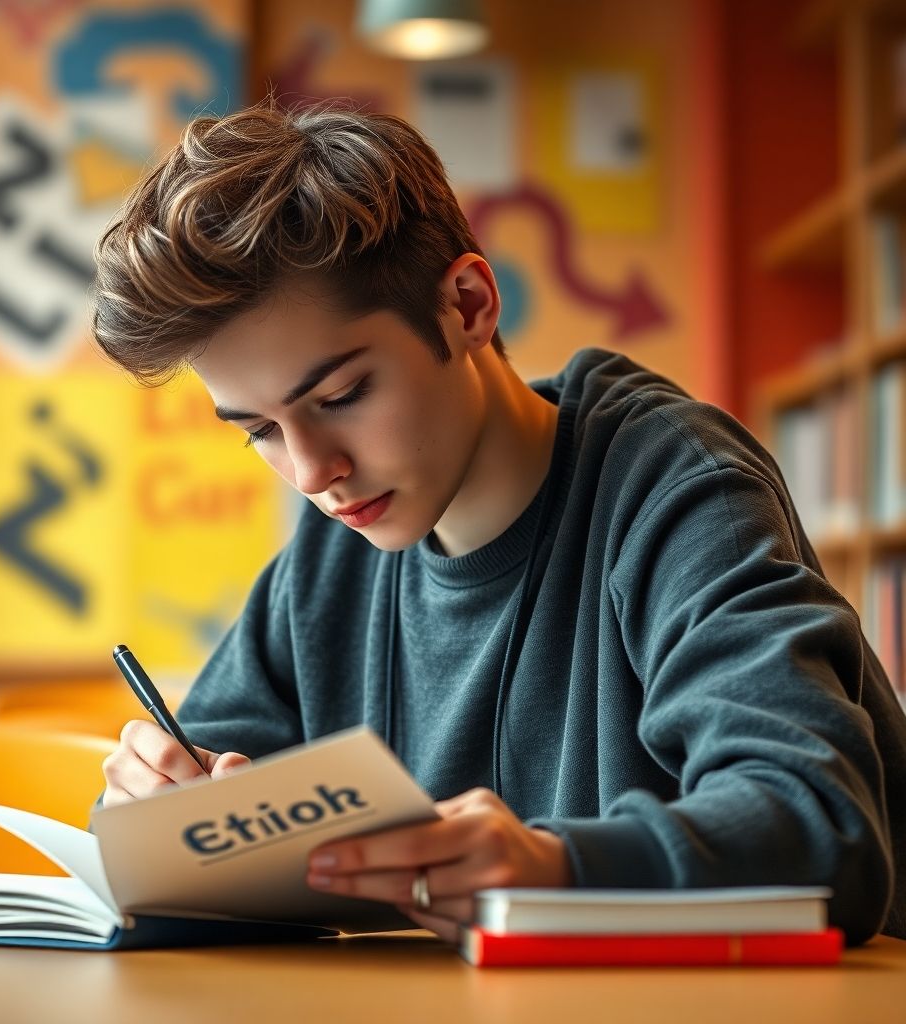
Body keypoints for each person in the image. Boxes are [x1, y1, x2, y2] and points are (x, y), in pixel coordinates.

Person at [91, 100, 906, 946]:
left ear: (471, 304)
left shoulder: (673, 486)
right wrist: (150, 804)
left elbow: (820, 827)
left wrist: (554, 873)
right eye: (259, 430)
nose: (311, 473)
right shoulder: (336, 550)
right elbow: (200, 785)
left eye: (340, 398)